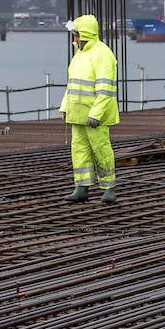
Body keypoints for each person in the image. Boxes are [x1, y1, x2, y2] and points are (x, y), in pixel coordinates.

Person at [60, 15, 119, 203]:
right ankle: (82, 187)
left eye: (76, 35)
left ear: (84, 34)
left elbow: (105, 89)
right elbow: (72, 86)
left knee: (101, 149)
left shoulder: (103, 54)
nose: (74, 39)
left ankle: (109, 188)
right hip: (77, 113)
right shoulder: (79, 54)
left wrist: (96, 114)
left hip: (95, 116)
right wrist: (65, 107)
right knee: (79, 150)